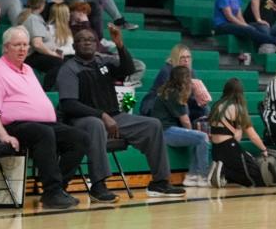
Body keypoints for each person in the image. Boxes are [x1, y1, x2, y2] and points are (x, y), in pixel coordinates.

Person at [56, 26, 185, 201]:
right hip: (81, 120)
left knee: (153, 125)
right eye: (81, 39)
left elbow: (129, 69)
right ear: (74, 45)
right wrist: (101, 115)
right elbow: (69, 104)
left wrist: (120, 45)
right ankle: (98, 186)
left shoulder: (103, 62)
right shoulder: (69, 69)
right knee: (96, 125)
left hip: (114, 116)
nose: (87, 42)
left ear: (97, 44)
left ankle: (160, 182)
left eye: (91, 39)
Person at [0, 26, 88, 209]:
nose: (23, 49)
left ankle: (57, 189)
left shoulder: (28, 69)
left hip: (42, 124)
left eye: (25, 45)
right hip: (15, 127)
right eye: (17, 45)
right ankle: (53, 191)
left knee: (79, 137)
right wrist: (3, 136)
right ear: (6, 47)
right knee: (43, 132)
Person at [208, 78, 275, 187]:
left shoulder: (216, 106)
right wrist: (264, 149)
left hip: (216, 150)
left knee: (242, 166)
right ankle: (224, 171)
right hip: (229, 148)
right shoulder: (237, 108)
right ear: (240, 93)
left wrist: (237, 130)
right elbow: (252, 136)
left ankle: (223, 172)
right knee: (258, 178)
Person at [152, 65, 211, 186]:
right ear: (184, 79)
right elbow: (185, 121)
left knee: (197, 138)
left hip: (165, 130)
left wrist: (191, 135)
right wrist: (191, 133)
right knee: (202, 138)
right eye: (189, 78)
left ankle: (192, 176)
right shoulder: (174, 93)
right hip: (165, 131)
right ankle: (203, 176)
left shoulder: (170, 90)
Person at [141, 43, 211, 123]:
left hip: (181, 102)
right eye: (182, 57)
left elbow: (190, 96)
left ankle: (203, 130)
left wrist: (200, 99)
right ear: (175, 58)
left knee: (204, 108)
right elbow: (171, 95)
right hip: (160, 105)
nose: (186, 60)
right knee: (183, 108)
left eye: (188, 57)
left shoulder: (191, 72)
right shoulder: (167, 71)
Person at [17, 0, 63, 88]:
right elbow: (37, 44)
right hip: (30, 56)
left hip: (34, 55)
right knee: (59, 63)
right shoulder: (33, 19)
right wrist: (53, 54)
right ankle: (45, 89)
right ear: (42, 5)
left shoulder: (29, 15)